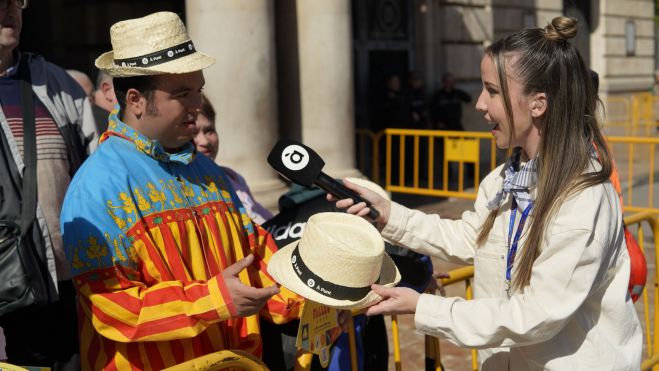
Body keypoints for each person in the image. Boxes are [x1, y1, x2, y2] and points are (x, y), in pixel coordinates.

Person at [331, 16, 642, 370]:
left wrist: (423, 307)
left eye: (492, 91)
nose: (479, 104)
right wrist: (388, 215)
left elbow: (537, 314)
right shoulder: (503, 178)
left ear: (538, 103)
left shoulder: (583, 198)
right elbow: (472, 237)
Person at [60, 12, 302, 370]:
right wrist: (213, 300)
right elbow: (113, 310)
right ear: (136, 100)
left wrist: (312, 297)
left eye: (199, 90)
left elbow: (254, 253)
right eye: (183, 93)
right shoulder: (95, 189)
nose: (198, 105)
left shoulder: (207, 170)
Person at [0, 0, 97, 369]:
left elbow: (93, 174)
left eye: (16, 3)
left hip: (59, 282)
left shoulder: (57, 84)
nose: (10, 13)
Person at [194, 94, 273, 224]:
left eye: (209, 130)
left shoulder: (232, 177)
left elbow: (267, 220)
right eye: (194, 133)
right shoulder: (185, 188)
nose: (205, 141)